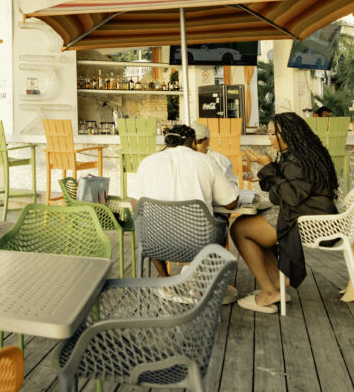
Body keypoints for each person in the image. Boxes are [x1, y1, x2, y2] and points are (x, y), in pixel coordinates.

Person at [234, 112, 338, 313]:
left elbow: (289, 196)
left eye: (274, 134)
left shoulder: (297, 159)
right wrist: (264, 175)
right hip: (311, 213)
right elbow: (282, 189)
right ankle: (277, 282)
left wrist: (268, 168)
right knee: (251, 226)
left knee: (240, 229)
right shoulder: (303, 153)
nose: (270, 138)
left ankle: (269, 291)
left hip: (310, 220)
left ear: (289, 134)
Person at [133, 123, 239, 296]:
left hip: (156, 243)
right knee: (221, 222)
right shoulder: (207, 161)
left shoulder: (147, 162)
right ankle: (199, 286)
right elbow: (230, 203)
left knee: (149, 225)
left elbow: (136, 206)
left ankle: (166, 281)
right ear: (192, 143)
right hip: (198, 242)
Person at [193, 123, 239, 188]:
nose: (193, 145)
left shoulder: (219, 160)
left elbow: (231, 187)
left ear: (207, 141)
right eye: (190, 142)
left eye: (197, 142)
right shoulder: (184, 160)